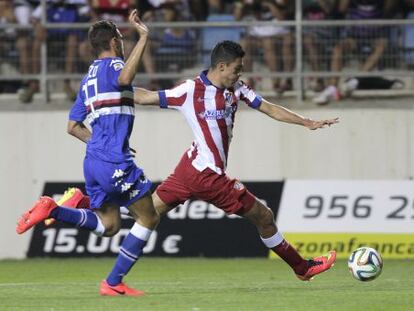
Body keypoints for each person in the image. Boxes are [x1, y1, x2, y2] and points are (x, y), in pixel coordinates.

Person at [55, 40, 340, 281]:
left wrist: (306, 122)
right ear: (221, 67)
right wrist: (114, 89)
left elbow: (268, 107)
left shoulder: (237, 88)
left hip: (187, 169)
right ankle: (302, 268)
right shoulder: (190, 91)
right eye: (237, 69)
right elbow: (145, 97)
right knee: (264, 217)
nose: (239, 73)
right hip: (208, 175)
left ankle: (81, 202)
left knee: (144, 214)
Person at [16, 10, 160, 297]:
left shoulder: (87, 79)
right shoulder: (114, 65)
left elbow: (72, 126)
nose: (122, 42)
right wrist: (144, 37)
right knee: (149, 217)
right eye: (121, 38)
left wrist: (100, 143)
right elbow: (126, 77)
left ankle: (54, 209)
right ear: (115, 42)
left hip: (94, 160)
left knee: (109, 226)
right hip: (114, 161)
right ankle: (113, 281)